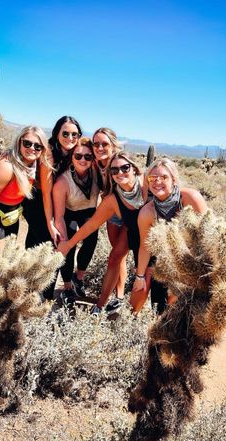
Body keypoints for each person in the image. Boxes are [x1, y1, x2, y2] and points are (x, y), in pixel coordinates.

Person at [57, 152, 148, 315]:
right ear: (110, 175)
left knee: (148, 280)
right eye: (114, 171)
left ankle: (140, 317)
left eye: (125, 168)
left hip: (155, 238)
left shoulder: (147, 185)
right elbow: (91, 225)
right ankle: (100, 305)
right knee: (114, 258)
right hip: (133, 231)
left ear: (134, 169)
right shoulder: (112, 200)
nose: (120, 173)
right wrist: (69, 244)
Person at [131, 157, 208, 314]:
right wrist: (139, 276)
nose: (157, 181)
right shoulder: (147, 212)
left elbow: (208, 231)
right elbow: (145, 247)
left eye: (163, 177)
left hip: (193, 257)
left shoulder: (190, 198)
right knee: (151, 296)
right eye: (152, 178)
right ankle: (142, 318)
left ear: (174, 180)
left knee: (177, 298)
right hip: (162, 259)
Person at [22, 116, 82, 300]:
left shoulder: (74, 153)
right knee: (50, 241)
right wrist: (51, 222)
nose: (70, 137)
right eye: (65, 133)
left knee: (40, 242)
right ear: (57, 134)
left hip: (55, 201)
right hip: (37, 201)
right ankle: (40, 295)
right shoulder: (48, 154)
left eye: (74, 134)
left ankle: (35, 292)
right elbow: (46, 193)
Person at [0, 126, 50, 246]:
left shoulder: (35, 167)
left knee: (9, 254)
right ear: (19, 142)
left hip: (11, 216)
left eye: (38, 146)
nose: (32, 149)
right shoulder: (6, 167)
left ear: (42, 150)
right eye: (27, 143)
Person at [52, 137, 100, 306]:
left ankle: (78, 278)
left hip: (89, 210)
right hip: (68, 213)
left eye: (88, 157)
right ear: (71, 157)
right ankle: (66, 288)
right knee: (68, 246)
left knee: (92, 240)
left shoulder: (97, 173)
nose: (83, 160)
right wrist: (65, 241)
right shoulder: (62, 182)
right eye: (78, 156)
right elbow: (58, 216)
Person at [92, 128, 130, 311]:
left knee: (115, 256)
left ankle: (102, 304)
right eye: (96, 144)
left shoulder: (121, 162)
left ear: (113, 145)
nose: (99, 147)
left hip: (130, 215)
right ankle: (119, 296)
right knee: (118, 255)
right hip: (112, 214)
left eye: (104, 144)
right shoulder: (94, 163)